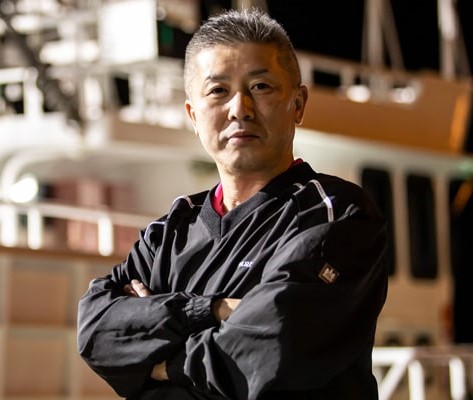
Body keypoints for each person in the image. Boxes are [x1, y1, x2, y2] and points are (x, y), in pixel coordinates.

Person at [77, 7, 388, 400]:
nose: (240, 108)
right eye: (218, 91)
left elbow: (275, 347)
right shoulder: (167, 234)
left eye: (261, 86)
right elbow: (96, 332)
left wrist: (158, 365)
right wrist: (215, 310)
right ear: (193, 115)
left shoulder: (335, 214)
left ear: (298, 104)